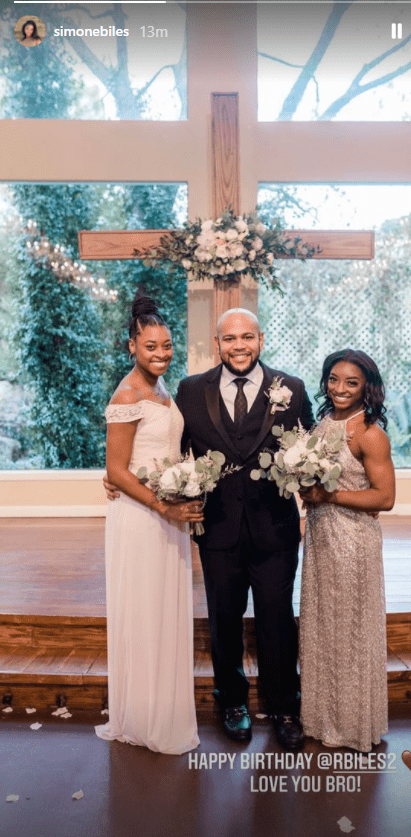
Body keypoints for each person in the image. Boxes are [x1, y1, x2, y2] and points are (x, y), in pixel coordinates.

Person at [175, 309, 315, 749]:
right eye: (230, 338)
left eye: (247, 337)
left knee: (277, 620)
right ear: (217, 343)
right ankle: (231, 702)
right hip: (216, 528)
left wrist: (313, 504)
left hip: (274, 526)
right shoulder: (190, 390)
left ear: (261, 339)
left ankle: (283, 706)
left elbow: (310, 451)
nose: (239, 345)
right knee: (224, 620)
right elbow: (174, 449)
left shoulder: (290, 388)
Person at [95, 295, 203, 754]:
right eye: (151, 347)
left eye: (167, 345)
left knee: (163, 609)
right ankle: (142, 715)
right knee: (142, 609)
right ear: (132, 346)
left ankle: (165, 704)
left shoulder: (162, 390)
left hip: (168, 512)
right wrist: (163, 506)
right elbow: (117, 469)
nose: (161, 354)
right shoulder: (127, 394)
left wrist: (187, 484)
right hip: (142, 518)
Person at [298, 349, 395, 753]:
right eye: (333, 379)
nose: (339, 389)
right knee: (323, 627)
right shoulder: (324, 423)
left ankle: (353, 722)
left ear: (365, 387)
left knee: (351, 631)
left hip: (353, 542)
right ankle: (323, 719)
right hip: (321, 538)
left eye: (351, 382)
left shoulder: (368, 432)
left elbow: (385, 497)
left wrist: (329, 495)